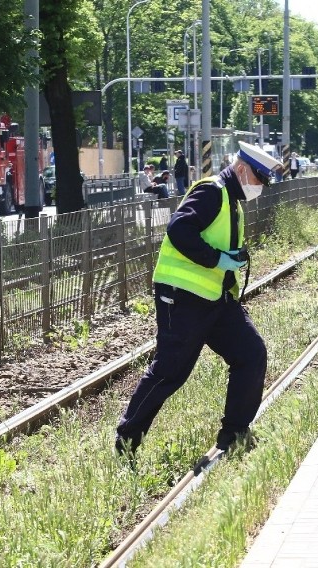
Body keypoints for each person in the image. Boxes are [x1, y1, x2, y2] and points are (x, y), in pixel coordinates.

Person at [115, 141, 282, 454]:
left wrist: (231, 261)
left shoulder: (232, 200)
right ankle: (127, 439)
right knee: (170, 371)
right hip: (183, 298)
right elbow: (179, 230)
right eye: (259, 179)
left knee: (251, 353)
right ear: (243, 169)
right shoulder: (212, 191)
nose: (260, 187)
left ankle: (234, 434)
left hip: (216, 299)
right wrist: (217, 259)